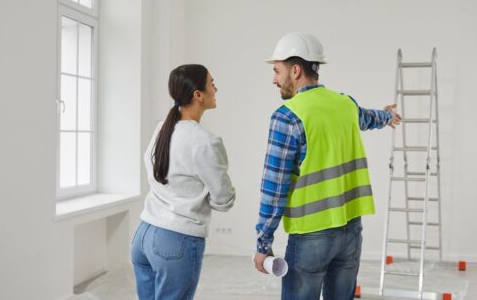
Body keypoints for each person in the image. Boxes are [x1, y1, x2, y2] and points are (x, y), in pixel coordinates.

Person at [253, 32, 402, 300]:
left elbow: (273, 189)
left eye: (277, 71)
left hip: (311, 235)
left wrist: (263, 243)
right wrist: (388, 116)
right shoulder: (345, 104)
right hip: (350, 233)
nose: (274, 79)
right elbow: (367, 118)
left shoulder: (286, 117)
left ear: (295, 70)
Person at [131, 64, 236, 299]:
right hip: (175, 241)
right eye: (212, 84)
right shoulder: (206, 142)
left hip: (144, 235)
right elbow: (224, 199)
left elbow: (153, 171)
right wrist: (202, 195)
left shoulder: (162, 128)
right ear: (198, 95)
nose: (215, 89)